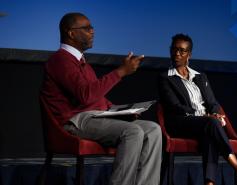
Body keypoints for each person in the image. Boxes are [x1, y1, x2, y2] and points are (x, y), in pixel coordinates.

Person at [40, 12, 162, 185]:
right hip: (74, 121)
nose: (93, 31)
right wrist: (121, 72)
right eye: (87, 28)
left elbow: (96, 98)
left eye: (92, 27)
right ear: (71, 33)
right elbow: (85, 95)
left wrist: (122, 112)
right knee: (132, 132)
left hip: (94, 116)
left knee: (153, 129)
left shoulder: (82, 63)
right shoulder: (60, 60)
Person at [158, 33, 237, 185]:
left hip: (204, 123)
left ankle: (209, 183)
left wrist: (216, 114)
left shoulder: (201, 77)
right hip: (180, 122)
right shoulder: (165, 78)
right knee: (211, 124)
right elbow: (176, 106)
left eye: (182, 50)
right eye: (174, 49)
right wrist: (205, 116)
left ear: (189, 55)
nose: (177, 54)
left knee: (210, 133)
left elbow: (213, 102)